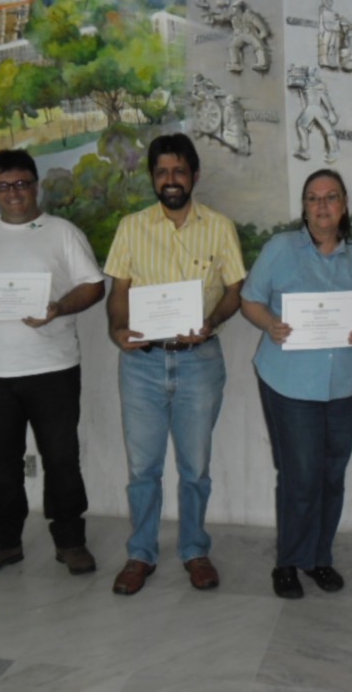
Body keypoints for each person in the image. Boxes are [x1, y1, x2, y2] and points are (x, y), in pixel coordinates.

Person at [0, 149, 105, 578]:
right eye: (2, 186)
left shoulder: (62, 233)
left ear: (35, 185)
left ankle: (70, 541)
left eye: (21, 184)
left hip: (53, 368)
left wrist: (59, 307)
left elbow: (93, 286)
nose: (13, 193)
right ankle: (2, 543)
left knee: (61, 458)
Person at [104, 132, 246, 596]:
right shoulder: (131, 227)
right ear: (152, 177)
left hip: (199, 362)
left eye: (179, 171)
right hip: (141, 364)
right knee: (143, 468)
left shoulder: (219, 227)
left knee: (195, 467)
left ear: (194, 176)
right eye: (162, 172)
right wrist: (117, 328)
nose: (170, 180)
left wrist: (212, 322)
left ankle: (194, 550)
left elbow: (235, 291)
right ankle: (141, 553)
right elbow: (119, 290)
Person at [241, 169, 352, 599]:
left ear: (344, 206)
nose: (322, 206)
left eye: (331, 197)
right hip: (290, 384)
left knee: (332, 475)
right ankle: (288, 562)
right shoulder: (280, 249)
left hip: (346, 384)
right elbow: (250, 300)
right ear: (304, 207)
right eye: (313, 198)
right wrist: (271, 324)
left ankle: (320, 558)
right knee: (300, 477)